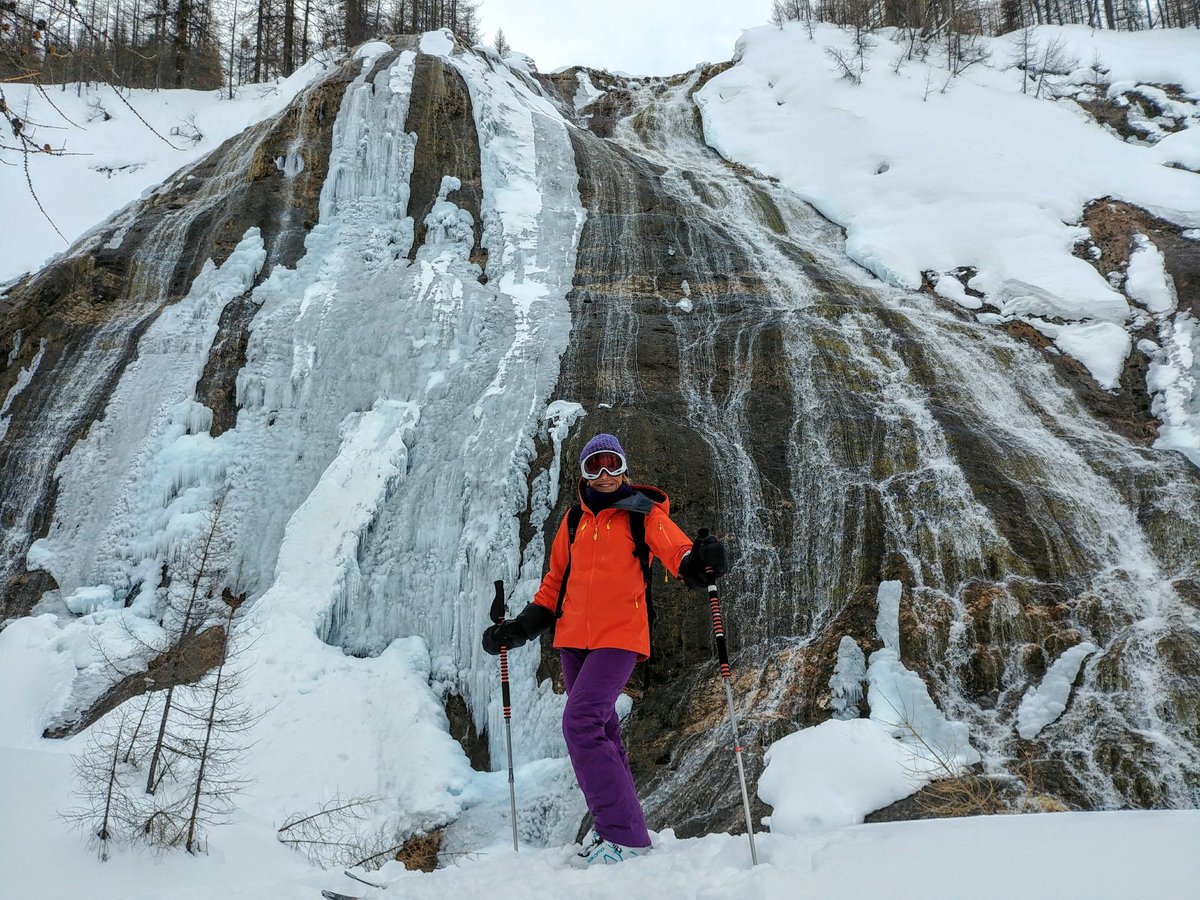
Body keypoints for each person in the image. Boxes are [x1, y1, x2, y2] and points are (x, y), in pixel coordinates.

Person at [481, 433, 727, 867]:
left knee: (580, 723)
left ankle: (625, 837)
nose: (605, 474)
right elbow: (554, 585)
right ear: (583, 473)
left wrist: (699, 560)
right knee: (604, 731)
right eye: (595, 465)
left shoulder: (643, 514)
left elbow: (679, 552)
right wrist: (519, 630)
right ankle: (619, 825)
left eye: (612, 464)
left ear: (625, 468)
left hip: (619, 637)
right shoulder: (574, 521)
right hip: (574, 640)